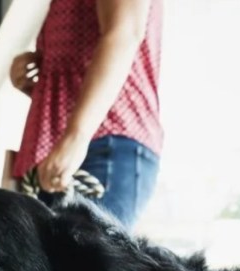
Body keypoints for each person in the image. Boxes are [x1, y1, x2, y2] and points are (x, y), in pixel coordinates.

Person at [10, 0, 163, 230]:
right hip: (71, 148)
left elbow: (124, 33)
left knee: (86, 263)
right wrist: (40, 83)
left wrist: (75, 137)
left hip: (105, 140)